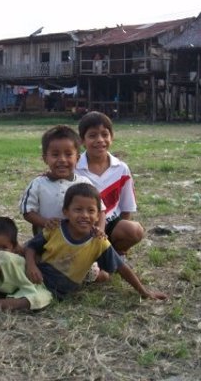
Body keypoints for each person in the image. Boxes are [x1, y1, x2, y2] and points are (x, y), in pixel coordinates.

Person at [0, 184, 167, 310]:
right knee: (2, 258)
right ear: (66, 211)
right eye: (78, 209)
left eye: (91, 211)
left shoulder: (99, 242)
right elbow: (32, 247)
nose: (84, 215)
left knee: (28, 303)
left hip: (52, 291)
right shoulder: (55, 229)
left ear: (98, 215)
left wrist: (143, 291)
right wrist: (31, 266)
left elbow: (122, 268)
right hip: (33, 274)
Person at [75, 111, 143, 281]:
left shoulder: (121, 169)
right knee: (97, 278)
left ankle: (115, 255)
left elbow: (127, 208)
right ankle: (95, 262)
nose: (100, 140)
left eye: (105, 134)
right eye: (92, 135)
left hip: (110, 224)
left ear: (112, 137)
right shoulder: (74, 167)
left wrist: (120, 237)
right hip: (82, 226)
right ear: (82, 141)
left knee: (133, 230)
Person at [19, 125, 95, 235]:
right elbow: (27, 211)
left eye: (68, 154)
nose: (62, 160)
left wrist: (100, 229)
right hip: (46, 243)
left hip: (79, 243)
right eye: (55, 155)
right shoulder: (38, 184)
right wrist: (45, 222)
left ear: (77, 158)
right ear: (45, 159)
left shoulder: (84, 183)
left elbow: (100, 210)